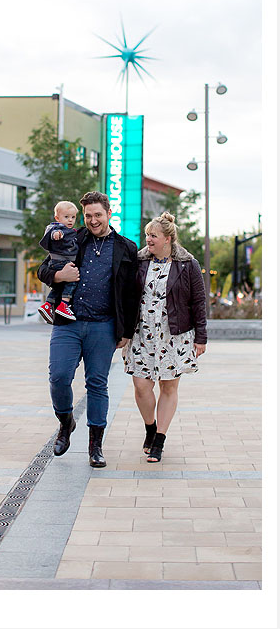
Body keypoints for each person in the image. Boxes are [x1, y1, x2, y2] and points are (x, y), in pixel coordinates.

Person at [37, 191, 141, 467]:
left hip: (103, 327)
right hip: (67, 322)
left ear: (108, 213)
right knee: (59, 377)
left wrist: (127, 332)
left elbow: (132, 295)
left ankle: (96, 445)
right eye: (88, 216)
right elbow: (44, 269)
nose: (93, 220)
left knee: (97, 384)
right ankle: (65, 421)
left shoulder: (126, 248)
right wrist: (60, 275)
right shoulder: (74, 237)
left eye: (98, 215)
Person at [124, 212, 207, 462]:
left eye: (153, 236)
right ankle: (150, 427)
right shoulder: (138, 261)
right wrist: (122, 332)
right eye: (147, 235)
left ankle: (159, 439)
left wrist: (200, 337)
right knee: (141, 385)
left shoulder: (187, 264)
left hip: (175, 333)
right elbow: (127, 297)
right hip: (142, 333)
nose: (148, 239)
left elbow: (198, 301)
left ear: (168, 239)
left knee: (168, 386)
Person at [37, 200, 81, 323]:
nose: (70, 220)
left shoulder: (74, 231)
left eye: (73, 217)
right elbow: (54, 232)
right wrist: (57, 234)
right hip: (61, 262)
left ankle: (47, 305)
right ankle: (64, 305)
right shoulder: (58, 228)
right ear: (57, 218)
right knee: (72, 281)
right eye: (66, 217)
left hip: (59, 262)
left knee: (58, 287)